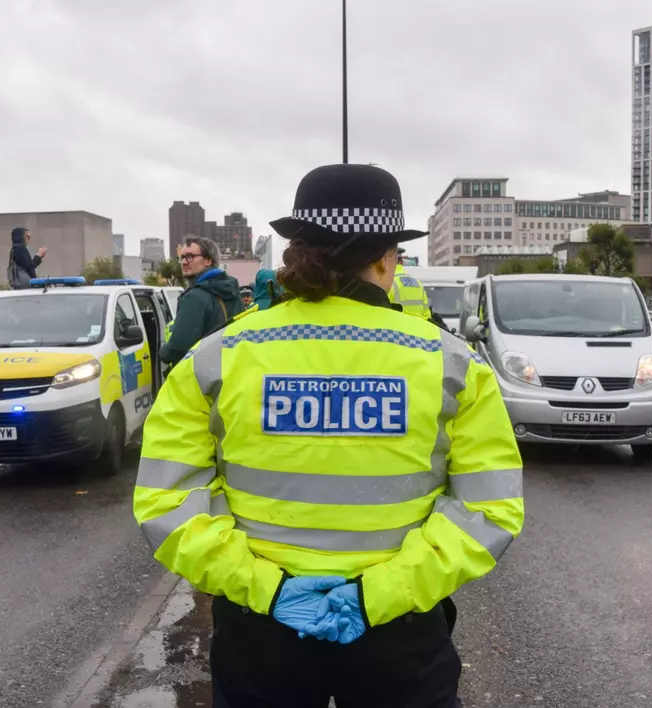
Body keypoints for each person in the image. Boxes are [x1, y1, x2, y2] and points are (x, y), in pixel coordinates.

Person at [135, 164, 524, 707]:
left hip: (261, 631)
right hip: (399, 632)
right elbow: (490, 510)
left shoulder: (217, 358)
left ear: (295, 250)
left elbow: (167, 501)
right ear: (388, 257)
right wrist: (377, 596)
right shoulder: (452, 365)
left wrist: (268, 590)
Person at [157, 236, 243, 366]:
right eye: (182, 257)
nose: (184, 262)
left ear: (208, 260)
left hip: (201, 374)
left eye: (190, 256)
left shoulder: (195, 297)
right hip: (230, 368)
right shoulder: (233, 292)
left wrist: (163, 353)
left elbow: (178, 346)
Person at [388, 247, 431, 319]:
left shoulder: (388, 283)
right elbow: (427, 315)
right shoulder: (418, 283)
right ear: (401, 262)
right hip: (417, 329)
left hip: (397, 328)